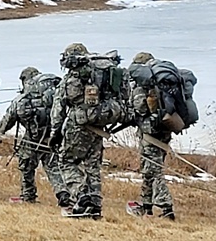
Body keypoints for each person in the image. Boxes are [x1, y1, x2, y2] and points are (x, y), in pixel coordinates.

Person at [50, 42, 124, 218]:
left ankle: (82, 197)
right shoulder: (102, 74)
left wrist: (55, 132)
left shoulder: (72, 77)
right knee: (92, 166)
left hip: (78, 126)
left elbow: (58, 107)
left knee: (66, 161)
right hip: (99, 127)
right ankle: (95, 204)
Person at [0, 67, 71, 207]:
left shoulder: (23, 98)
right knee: (53, 167)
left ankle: (28, 195)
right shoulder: (53, 95)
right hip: (51, 136)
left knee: (26, 166)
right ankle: (63, 194)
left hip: (31, 138)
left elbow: (9, 118)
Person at [126, 52, 175, 220]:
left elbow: (139, 108)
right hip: (165, 128)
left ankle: (166, 207)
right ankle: (146, 206)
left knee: (154, 170)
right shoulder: (164, 82)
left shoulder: (143, 84)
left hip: (150, 132)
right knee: (149, 168)